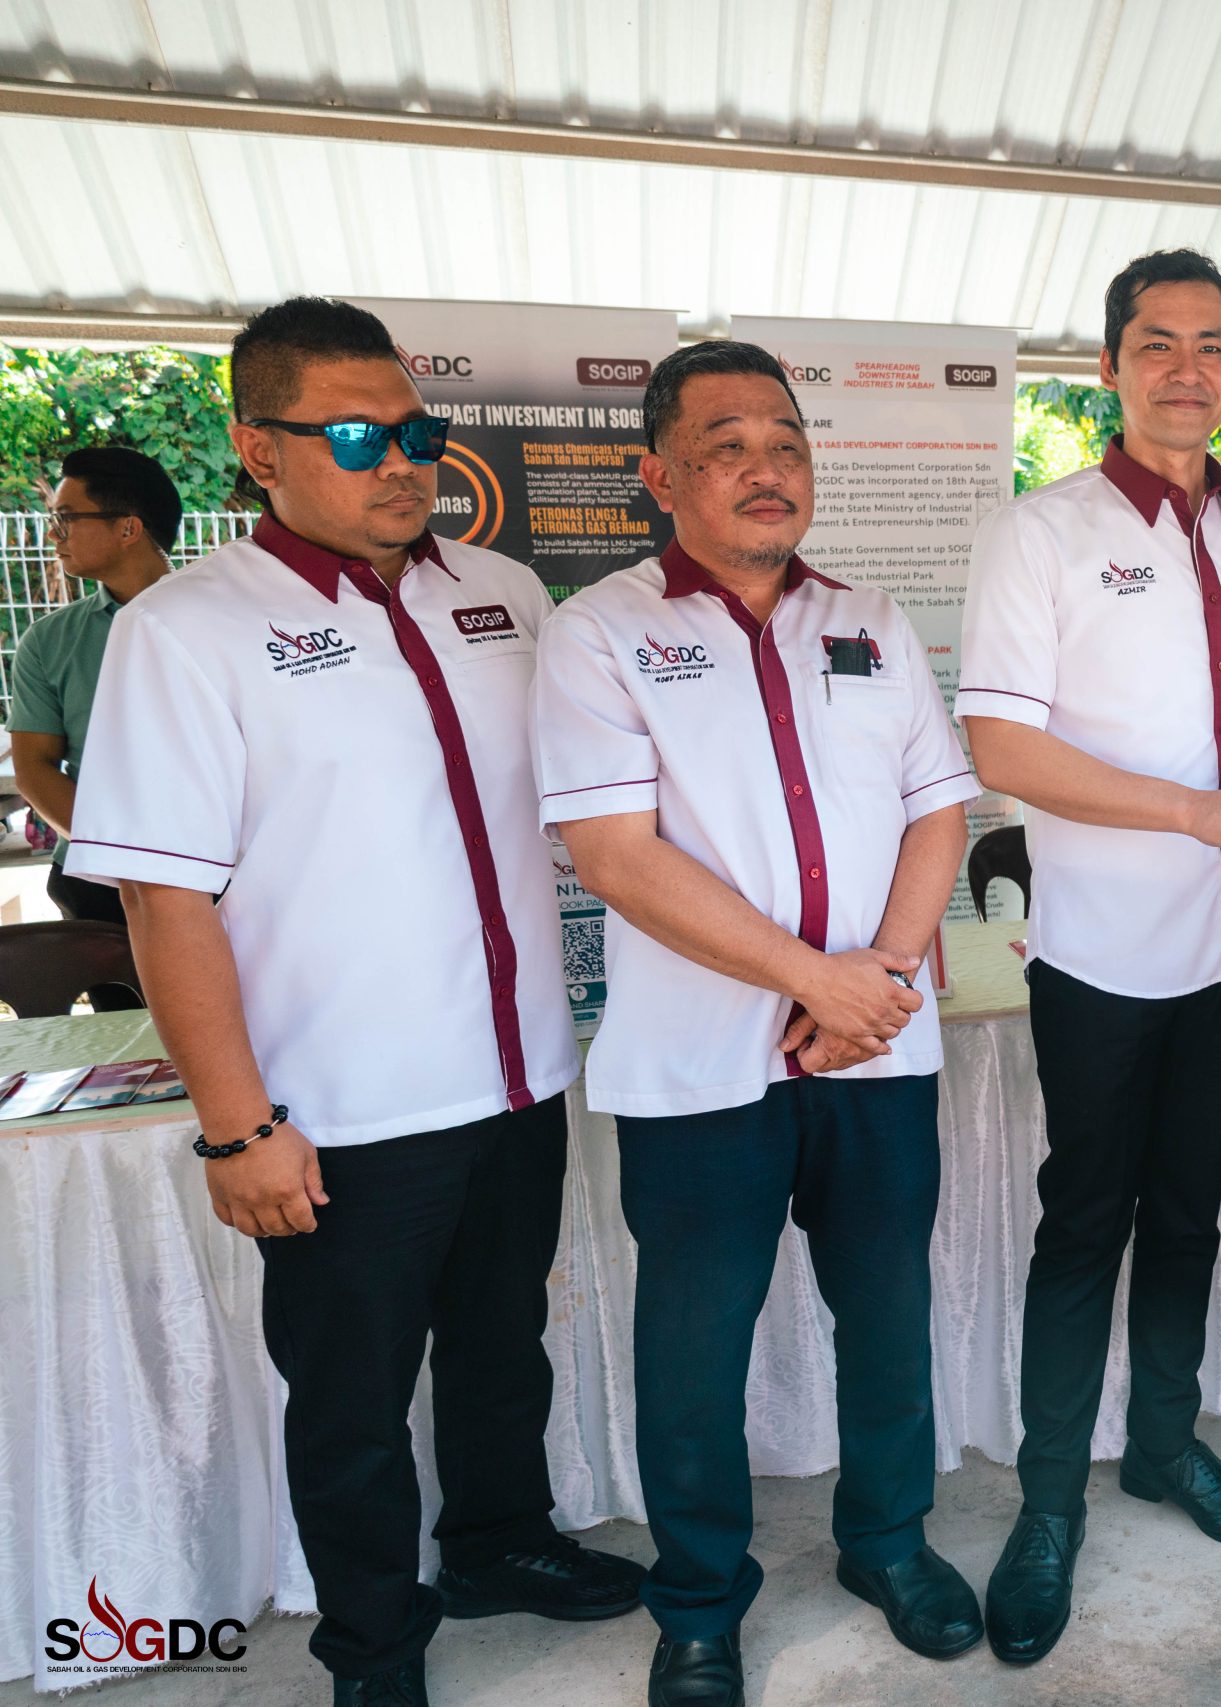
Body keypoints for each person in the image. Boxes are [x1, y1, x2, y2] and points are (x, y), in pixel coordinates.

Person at [64, 297, 638, 1707]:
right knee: (353, 1399)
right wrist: (234, 1125)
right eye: (359, 436)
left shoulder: (502, 590)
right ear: (262, 449)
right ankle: (374, 1644)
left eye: (417, 432)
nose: (404, 463)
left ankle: (499, 1542)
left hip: (516, 1076)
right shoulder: (188, 631)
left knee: (505, 1345)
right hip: (340, 1112)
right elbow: (163, 901)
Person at [533, 340, 986, 1706]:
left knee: (889, 1318)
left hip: (878, 1053)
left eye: (786, 442)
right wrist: (816, 980)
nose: (766, 468)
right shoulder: (598, 631)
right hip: (697, 1072)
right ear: (659, 474)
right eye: (726, 445)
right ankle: (697, 1602)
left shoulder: (872, 620)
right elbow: (615, 855)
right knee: (694, 1353)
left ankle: (888, 1542)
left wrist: (876, 981)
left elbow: (938, 809)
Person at [956, 248, 1221, 1665]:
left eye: (1210, 346)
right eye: (1156, 343)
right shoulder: (1042, 532)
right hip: (1104, 957)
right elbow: (1002, 748)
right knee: (1087, 1220)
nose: (1185, 369)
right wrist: (1196, 810)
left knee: (1188, 1212)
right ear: (1110, 367)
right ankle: (1049, 1504)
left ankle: (1165, 1444)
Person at [7, 445, 176, 943]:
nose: (52, 535)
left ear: (128, 528)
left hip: (229, 868)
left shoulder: (227, 621)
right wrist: (123, 857)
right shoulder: (49, 640)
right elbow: (35, 767)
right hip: (100, 879)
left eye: (65, 518)